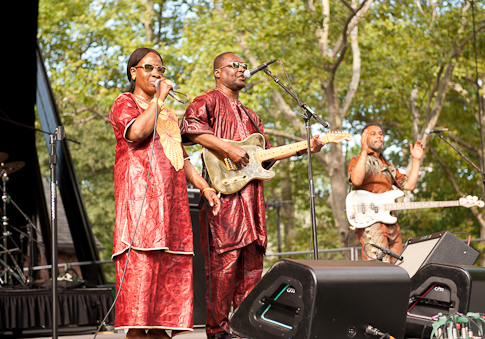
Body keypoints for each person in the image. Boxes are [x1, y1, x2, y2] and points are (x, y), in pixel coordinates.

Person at [181, 52, 324, 339]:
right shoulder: (207, 100)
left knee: (252, 270)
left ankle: (246, 328)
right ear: (218, 73)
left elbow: (266, 157)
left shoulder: (251, 115)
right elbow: (189, 128)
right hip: (224, 198)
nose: (243, 70)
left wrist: (303, 147)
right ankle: (218, 332)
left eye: (245, 66)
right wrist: (227, 148)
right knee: (223, 269)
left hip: (253, 202)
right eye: (235, 66)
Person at [109, 47, 220, 339]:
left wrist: (205, 187)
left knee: (163, 320)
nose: (157, 74)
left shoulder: (167, 113)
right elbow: (136, 133)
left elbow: (180, 157)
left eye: (161, 70)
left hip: (172, 213)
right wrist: (158, 100)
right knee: (139, 316)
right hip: (140, 212)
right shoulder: (124, 103)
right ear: (134, 72)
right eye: (149, 68)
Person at [348, 123, 424, 263]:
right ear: (364, 137)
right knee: (380, 270)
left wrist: (416, 159)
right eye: (373, 133)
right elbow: (356, 180)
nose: (379, 136)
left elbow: (409, 185)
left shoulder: (388, 166)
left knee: (400, 265)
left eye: (381, 134)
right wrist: (364, 150)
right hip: (372, 224)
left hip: (391, 223)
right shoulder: (358, 160)